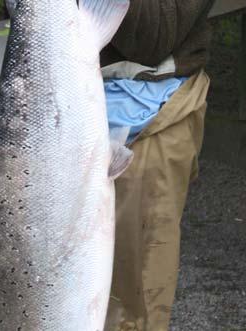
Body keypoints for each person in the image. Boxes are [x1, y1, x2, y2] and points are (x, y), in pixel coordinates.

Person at [102, 1, 215, 330]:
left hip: (149, 116)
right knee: (53, 282)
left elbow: (151, 38)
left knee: (131, 307)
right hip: (58, 112)